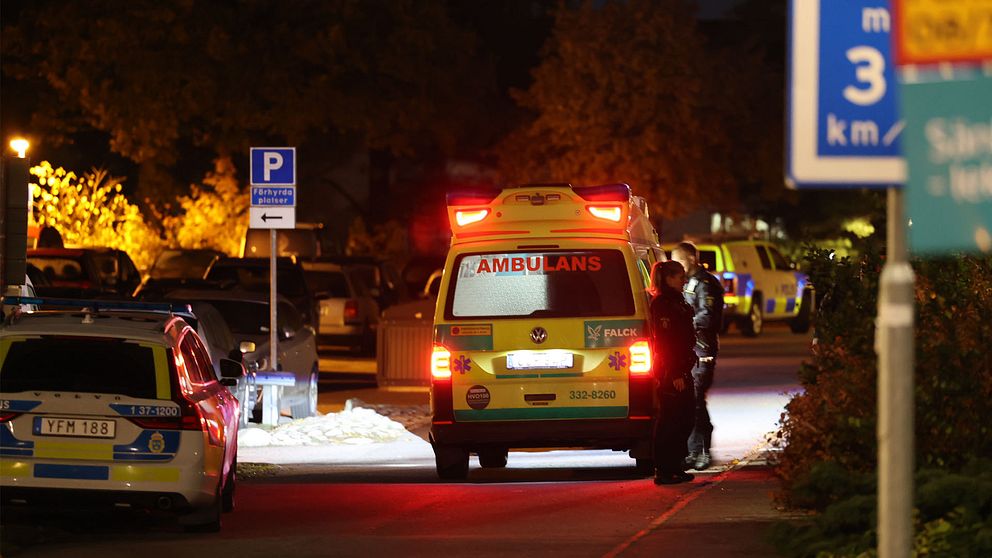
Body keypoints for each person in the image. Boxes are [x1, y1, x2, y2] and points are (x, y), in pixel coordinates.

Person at [671, 241, 724, 470]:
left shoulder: (706, 284)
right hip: (689, 349)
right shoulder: (687, 283)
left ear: (691, 259)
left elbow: (708, 316)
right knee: (688, 401)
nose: (676, 266)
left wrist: (684, 323)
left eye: (679, 261)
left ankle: (702, 450)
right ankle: (693, 450)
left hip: (702, 348)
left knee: (695, 400)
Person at [648, 260, 697, 485]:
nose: (683, 280)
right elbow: (666, 342)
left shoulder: (676, 300)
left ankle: (675, 465)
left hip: (681, 367)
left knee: (684, 418)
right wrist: (675, 372)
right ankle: (665, 469)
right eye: (679, 277)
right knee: (671, 420)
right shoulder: (663, 304)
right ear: (668, 279)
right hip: (671, 371)